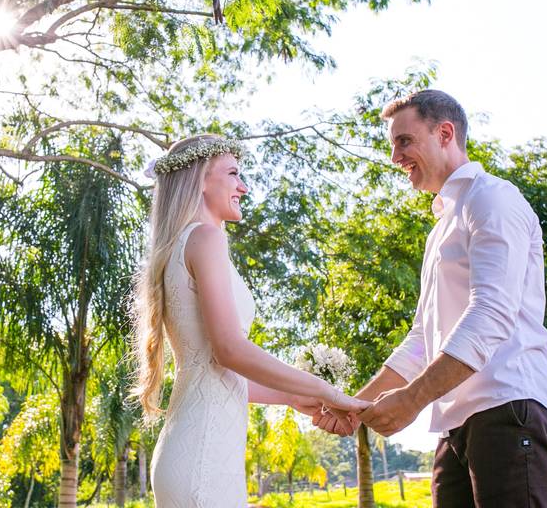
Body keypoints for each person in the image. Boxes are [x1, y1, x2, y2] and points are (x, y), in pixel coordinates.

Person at [316, 90, 547, 507]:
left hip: (509, 409)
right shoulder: (441, 227)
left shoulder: (492, 198)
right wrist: (354, 406)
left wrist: (413, 399)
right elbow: (422, 338)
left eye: (404, 141)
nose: (395, 157)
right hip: (455, 426)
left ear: (445, 133)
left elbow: (490, 314)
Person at [132, 134, 370, 508]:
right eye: (233, 174)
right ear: (200, 180)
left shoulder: (182, 243)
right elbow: (229, 351)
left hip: (196, 450)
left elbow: (212, 369)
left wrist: (294, 397)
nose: (243, 186)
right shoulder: (206, 238)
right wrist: (326, 391)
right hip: (203, 458)